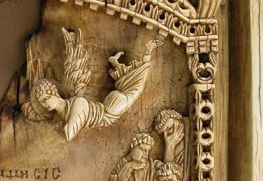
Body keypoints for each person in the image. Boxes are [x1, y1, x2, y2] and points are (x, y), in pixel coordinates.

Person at [23, 39, 162, 141]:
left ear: (55, 93)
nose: (43, 104)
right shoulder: (69, 107)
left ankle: (147, 53)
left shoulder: (76, 105)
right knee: (130, 87)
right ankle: (115, 62)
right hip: (109, 105)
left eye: (45, 98)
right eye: (41, 102)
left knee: (135, 89)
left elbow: (69, 133)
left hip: (110, 111)